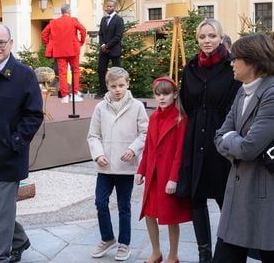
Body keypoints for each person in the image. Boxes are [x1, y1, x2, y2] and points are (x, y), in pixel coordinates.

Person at [0, 24, 44, 263]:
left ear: (10, 44)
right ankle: (19, 239)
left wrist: (16, 142)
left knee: (4, 210)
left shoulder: (24, 75)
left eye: (1, 42)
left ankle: (0, 256)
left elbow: (34, 115)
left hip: (10, 154)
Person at [176, 19, 241, 263]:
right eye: (202, 36)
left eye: (212, 36)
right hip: (195, 138)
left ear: (221, 37)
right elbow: (187, 102)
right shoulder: (191, 67)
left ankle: (229, 252)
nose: (207, 41)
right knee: (197, 197)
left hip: (222, 137)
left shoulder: (232, 65)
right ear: (197, 39)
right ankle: (205, 254)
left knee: (226, 198)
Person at [212, 33, 274, 263]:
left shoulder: (271, 92)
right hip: (238, 195)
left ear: (253, 60)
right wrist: (235, 138)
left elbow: (249, 148)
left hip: (264, 195)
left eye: (235, 57)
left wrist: (234, 140)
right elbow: (219, 136)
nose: (231, 62)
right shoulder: (243, 89)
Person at [87, 67, 148, 261]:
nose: (118, 89)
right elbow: (93, 135)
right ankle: (107, 238)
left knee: (124, 206)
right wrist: (98, 155)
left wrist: (133, 149)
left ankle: (124, 243)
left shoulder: (137, 106)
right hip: (105, 167)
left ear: (128, 84)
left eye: (121, 85)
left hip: (125, 167)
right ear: (107, 86)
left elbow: (145, 133)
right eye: (113, 86)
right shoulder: (100, 107)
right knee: (100, 202)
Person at [135, 77, 192, 263]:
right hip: (153, 174)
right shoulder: (153, 117)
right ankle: (156, 252)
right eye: (158, 94)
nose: (161, 98)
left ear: (175, 95)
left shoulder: (180, 119)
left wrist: (173, 178)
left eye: (166, 94)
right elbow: (149, 147)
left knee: (170, 217)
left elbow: (179, 152)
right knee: (149, 214)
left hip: (167, 174)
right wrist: (141, 170)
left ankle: (173, 255)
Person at [41, 3, 86, 103]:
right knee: (75, 71)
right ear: (69, 11)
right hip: (73, 49)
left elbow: (44, 33)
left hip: (59, 51)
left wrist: (49, 43)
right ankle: (75, 94)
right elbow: (83, 30)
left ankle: (65, 96)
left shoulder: (53, 22)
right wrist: (80, 42)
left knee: (62, 73)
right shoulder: (73, 20)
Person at [96, 1, 124, 99]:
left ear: (114, 7)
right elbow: (100, 34)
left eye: (110, 6)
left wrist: (107, 46)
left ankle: (119, 91)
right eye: (107, 6)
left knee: (118, 72)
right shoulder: (103, 19)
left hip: (114, 50)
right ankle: (103, 91)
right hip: (103, 50)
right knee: (101, 70)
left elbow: (118, 36)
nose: (108, 8)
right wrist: (103, 45)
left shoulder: (119, 20)